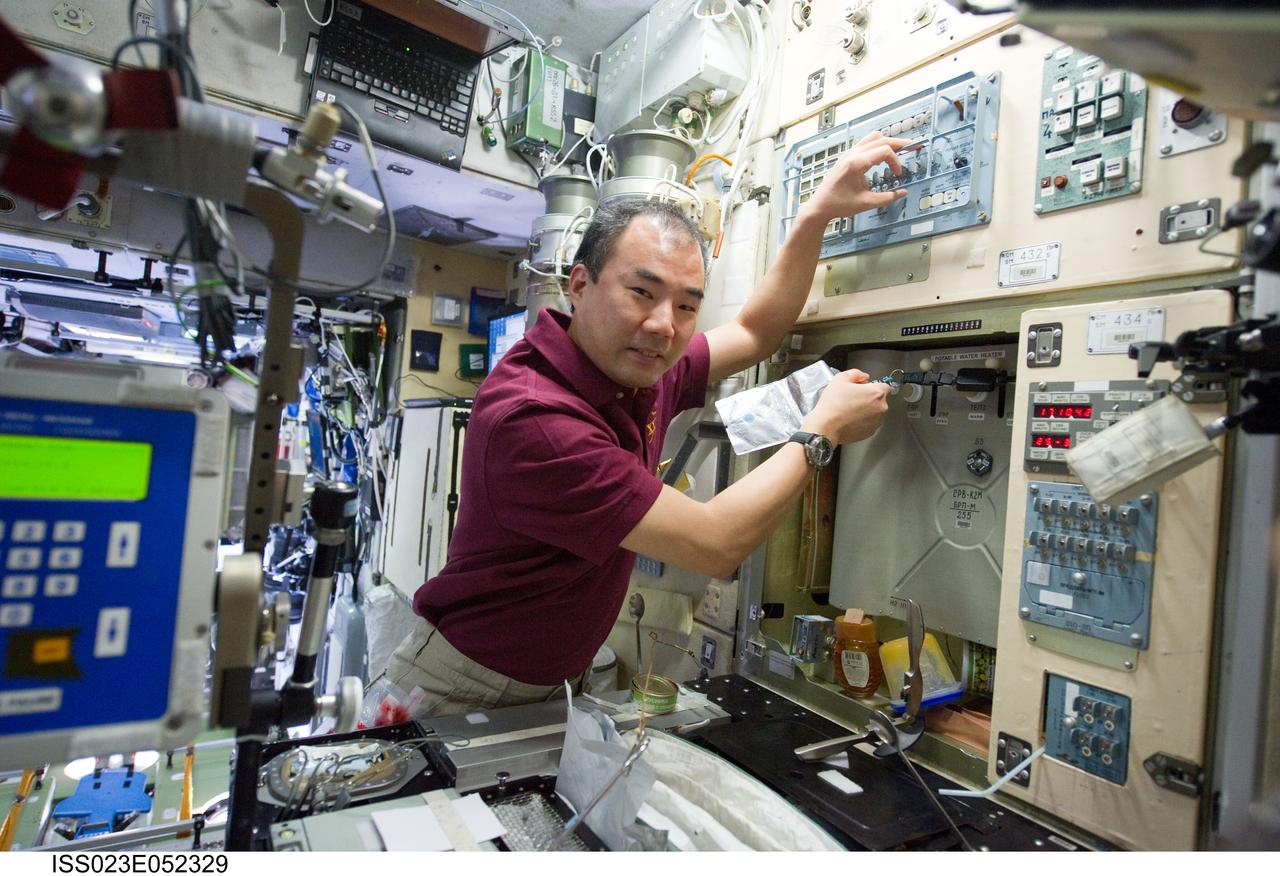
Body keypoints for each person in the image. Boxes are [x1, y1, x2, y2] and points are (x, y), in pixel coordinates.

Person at [376, 132, 912, 716]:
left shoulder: (635, 371)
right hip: (466, 685)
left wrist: (813, 216)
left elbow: (758, 332)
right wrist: (821, 432)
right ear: (580, 284)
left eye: (686, 305)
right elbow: (714, 544)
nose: (664, 325)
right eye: (641, 292)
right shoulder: (537, 418)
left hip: (549, 679)